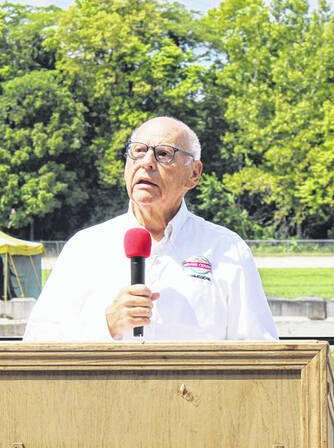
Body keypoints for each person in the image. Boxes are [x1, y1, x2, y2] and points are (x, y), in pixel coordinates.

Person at [23, 116, 278, 341]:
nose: (147, 162)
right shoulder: (84, 248)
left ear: (194, 173)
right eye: (138, 151)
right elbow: (36, 344)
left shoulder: (227, 250)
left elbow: (260, 350)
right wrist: (106, 326)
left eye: (163, 154)